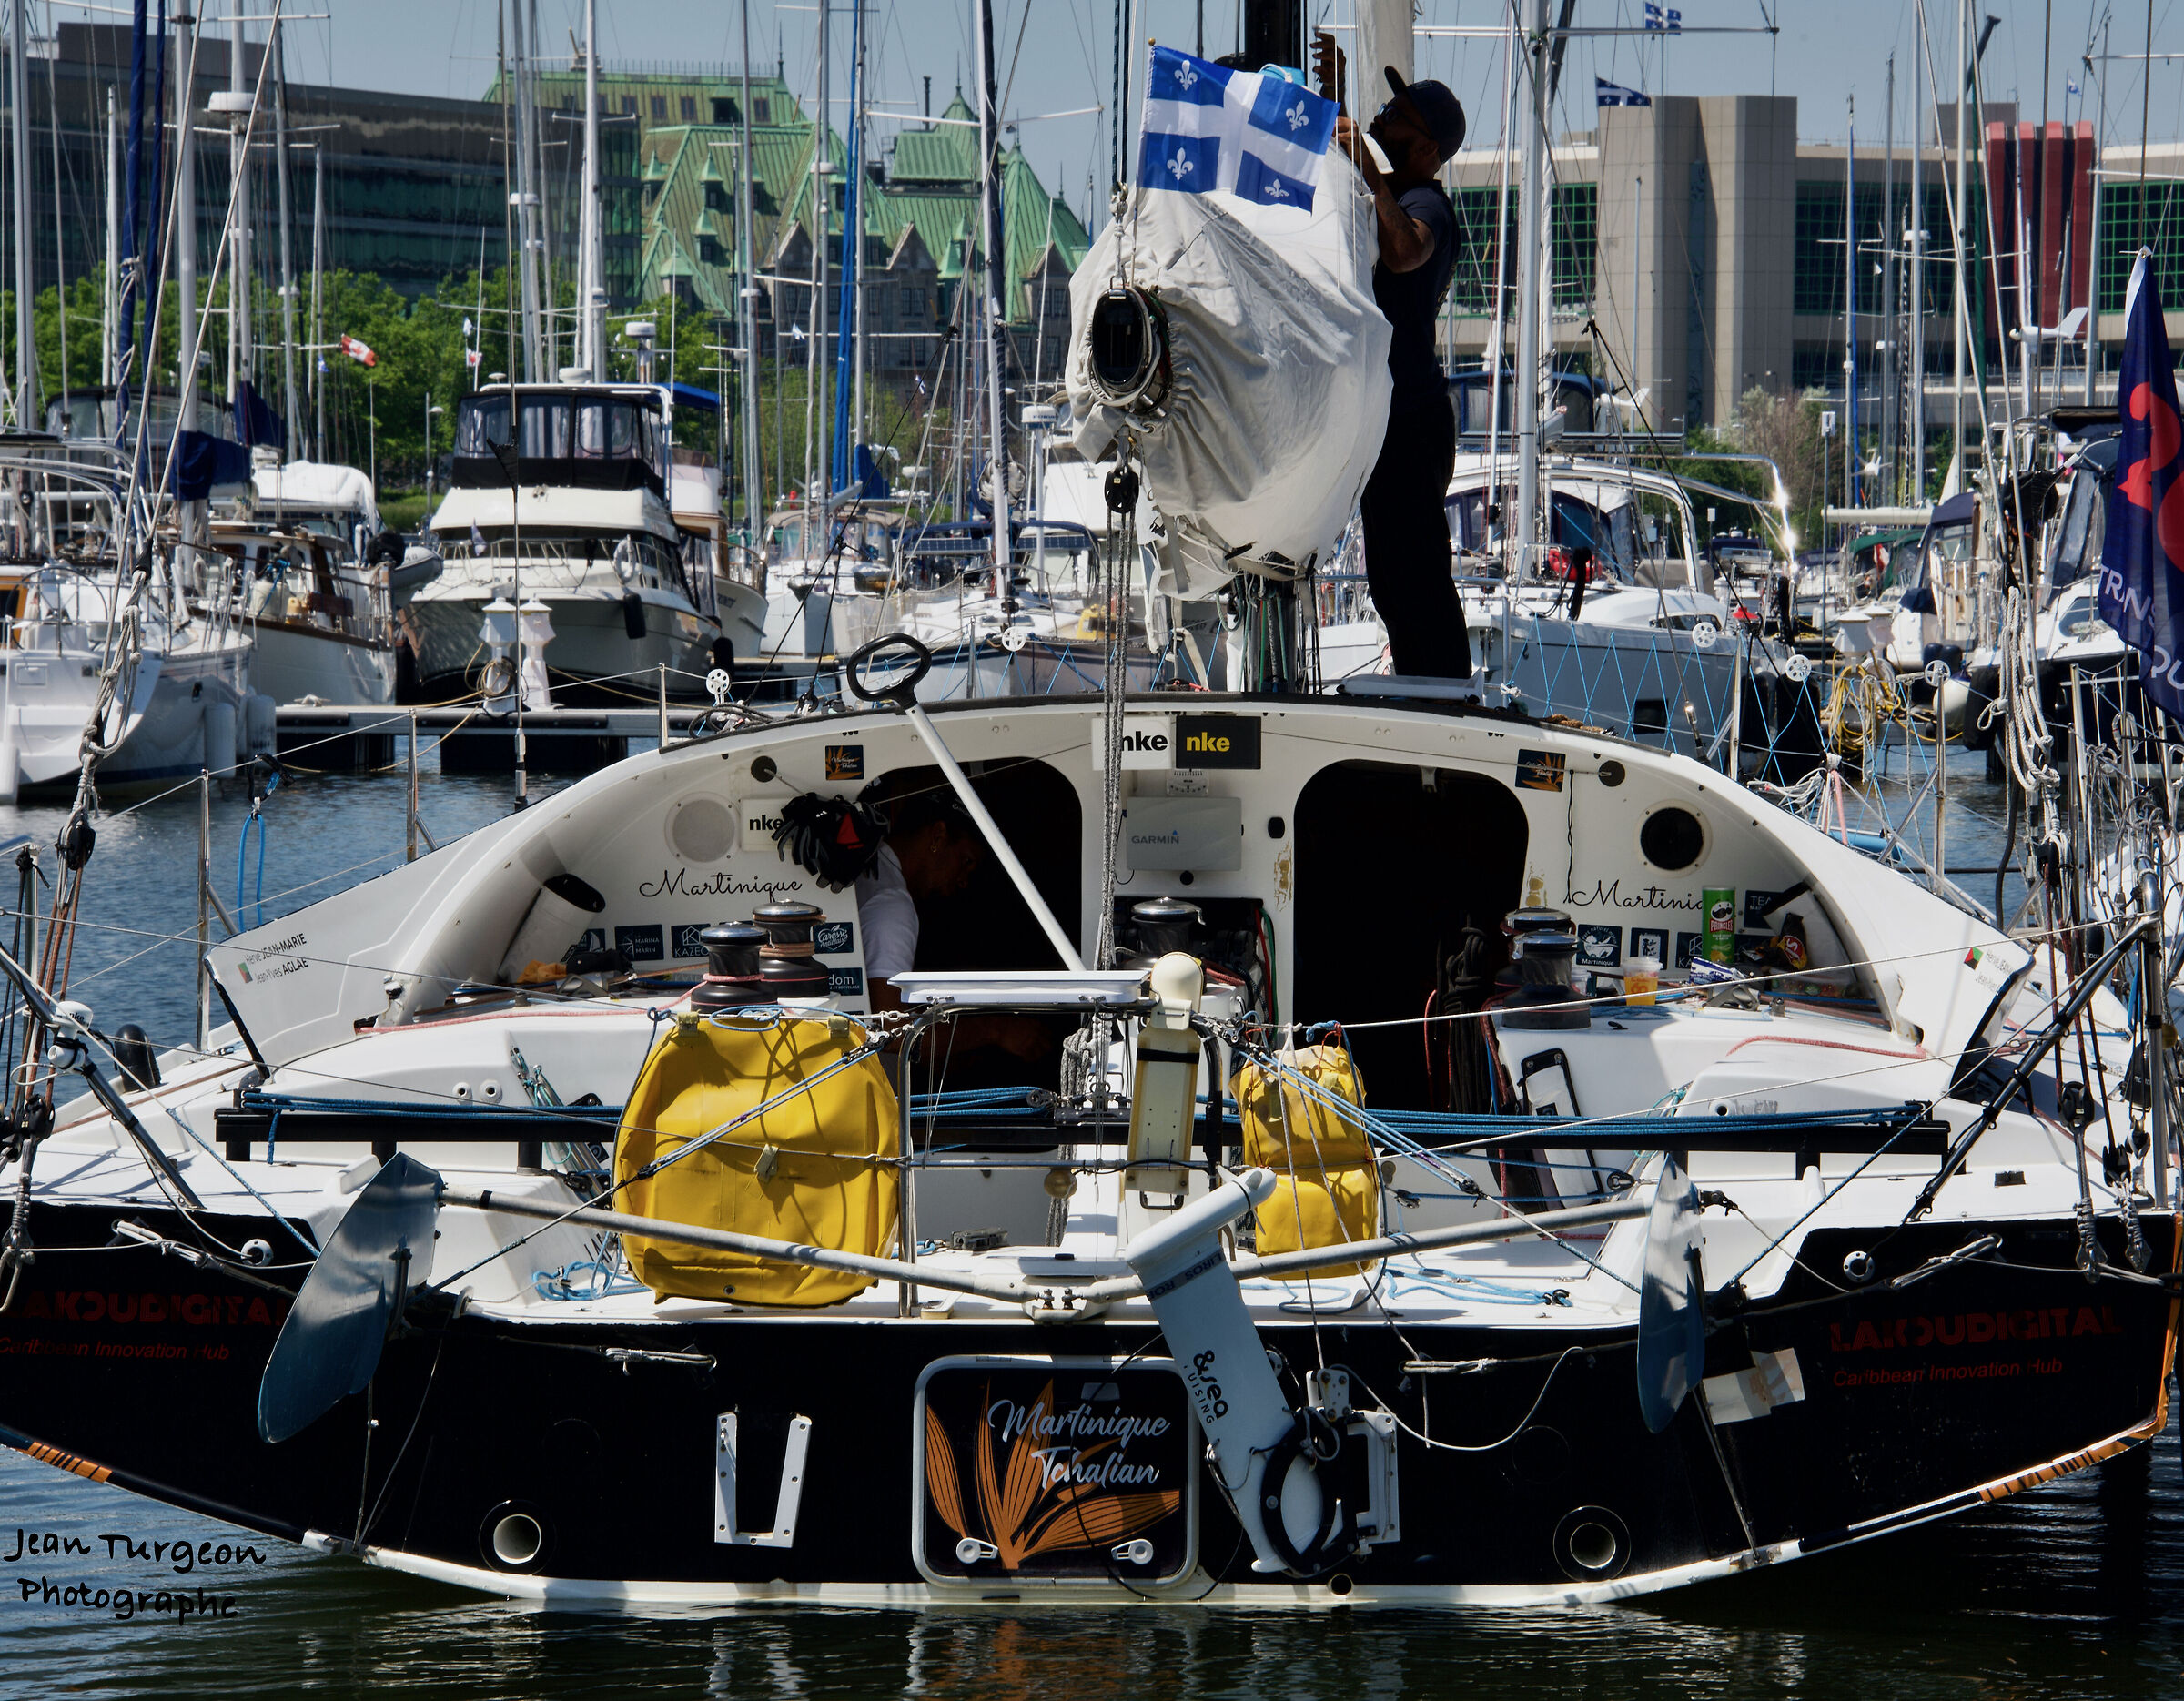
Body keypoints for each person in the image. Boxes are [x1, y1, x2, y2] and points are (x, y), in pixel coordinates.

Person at [1317, 37, 1472, 680]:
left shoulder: (1426, 203)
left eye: (1397, 115)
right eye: (1383, 109)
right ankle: (1423, 686)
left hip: (1412, 419)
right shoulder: (1391, 193)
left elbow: (1406, 250)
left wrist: (1363, 156)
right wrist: (1334, 103)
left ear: (1428, 147)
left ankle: (1445, 695)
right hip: (1389, 419)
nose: (1381, 118)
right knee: (1390, 577)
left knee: (1416, 576)